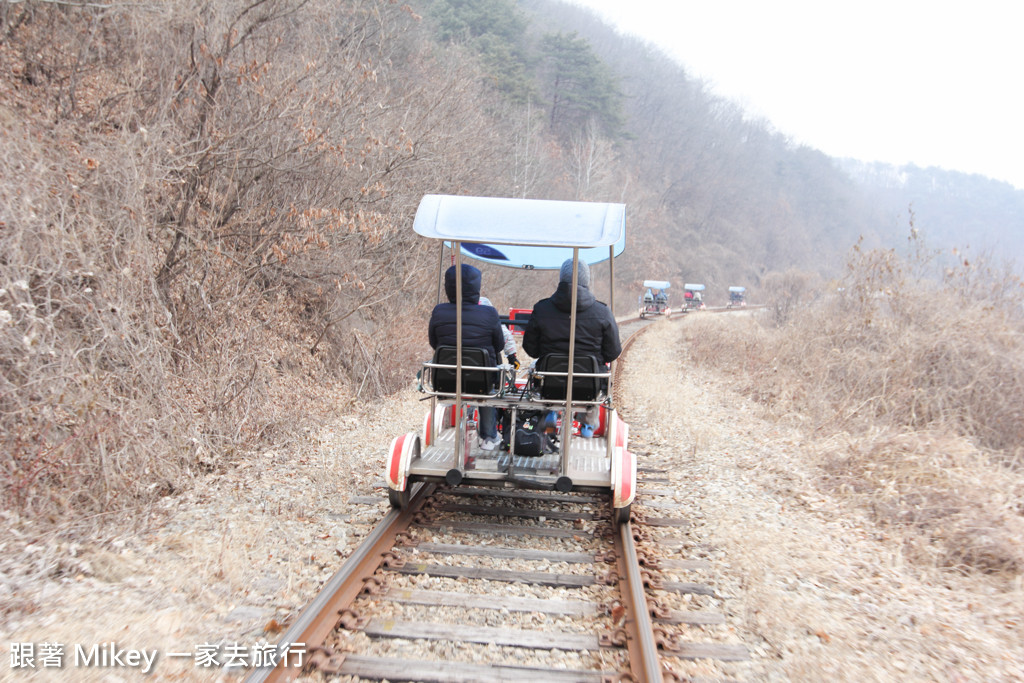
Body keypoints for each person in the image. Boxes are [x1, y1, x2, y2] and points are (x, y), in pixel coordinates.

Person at [523, 259, 621, 434]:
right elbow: (612, 352)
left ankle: (551, 411)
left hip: (550, 384)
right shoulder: (602, 312)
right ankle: (588, 424)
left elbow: (531, 349)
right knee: (597, 371)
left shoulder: (542, 309)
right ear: (587, 281)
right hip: (589, 386)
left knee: (548, 374)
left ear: (561, 279)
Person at [428, 264, 507, 450]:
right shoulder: (489, 313)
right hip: (483, 380)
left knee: (470, 380)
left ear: (448, 287)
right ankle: (488, 436)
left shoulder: (439, 311)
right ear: (476, 288)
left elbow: (434, 342)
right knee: (487, 389)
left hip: (446, 377)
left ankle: (464, 427)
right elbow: (499, 345)